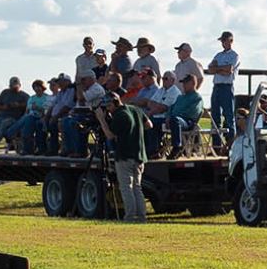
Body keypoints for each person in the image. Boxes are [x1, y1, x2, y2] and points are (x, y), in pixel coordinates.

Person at [95, 94, 152, 222]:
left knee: (126, 187)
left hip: (125, 155)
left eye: (109, 106)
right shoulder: (135, 109)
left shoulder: (119, 115)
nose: (108, 109)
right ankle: (142, 216)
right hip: (139, 155)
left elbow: (109, 135)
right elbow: (149, 124)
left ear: (115, 103)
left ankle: (130, 216)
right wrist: (136, 130)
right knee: (137, 187)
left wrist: (101, 120)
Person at [206, 31, 239, 149]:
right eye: (222, 41)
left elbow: (229, 70)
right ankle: (216, 146)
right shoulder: (218, 55)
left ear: (231, 41)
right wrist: (221, 69)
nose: (223, 43)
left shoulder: (234, 55)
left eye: (225, 40)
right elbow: (210, 69)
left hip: (226, 87)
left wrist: (217, 69)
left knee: (229, 117)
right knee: (215, 117)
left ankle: (231, 146)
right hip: (216, 87)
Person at [61, 72, 105, 157]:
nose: (82, 82)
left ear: (91, 79)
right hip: (84, 114)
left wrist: (78, 85)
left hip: (95, 115)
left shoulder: (96, 88)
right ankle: (70, 149)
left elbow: (81, 99)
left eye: (84, 79)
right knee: (66, 121)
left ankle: (81, 151)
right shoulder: (85, 89)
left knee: (75, 122)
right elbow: (79, 105)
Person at [165, 74, 204, 160]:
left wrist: (176, 116)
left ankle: (177, 147)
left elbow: (193, 113)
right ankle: (154, 149)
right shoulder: (180, 97)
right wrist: (168, 117)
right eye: (183, 83)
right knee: (153, 121)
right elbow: (171, 108)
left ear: (193, 83)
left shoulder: (197, 98)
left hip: (187, 122)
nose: (183, 85)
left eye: (186, 83)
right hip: (175, 120)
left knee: (175, 120)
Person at [144, 71, 181, 158]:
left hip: (166, 118)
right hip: (156, 115)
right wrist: (157, 107)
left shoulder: (175, 92)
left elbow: (164, 108)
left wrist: (151, 111)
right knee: (144, 123)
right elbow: (149, 102)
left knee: (151, 124)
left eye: (165, 79)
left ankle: (153, 151)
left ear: (172, 80)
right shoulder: (161, 90)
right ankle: (149, 150)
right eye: (162, 78)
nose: (163, 80)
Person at [8, 79, 49, 155]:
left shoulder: (46, 98)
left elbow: (47, 111)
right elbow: (27, 110)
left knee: (28, 121)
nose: (37, 89)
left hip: (41, 117)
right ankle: (27, 149)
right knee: (26, 126)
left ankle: (10, 133)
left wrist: (38, 108)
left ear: (42, 87)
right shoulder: (31, 98)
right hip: (30, 117)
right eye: (35, 87)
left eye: (38, 87)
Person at [45, 73, 75, 156]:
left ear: (67, 82)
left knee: (62, 123)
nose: (59, 84)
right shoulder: (60, 92)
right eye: (59, 82)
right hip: (56, 116)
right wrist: (47, 116)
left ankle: (67, 149)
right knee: (43, 123)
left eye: (61, 81)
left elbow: (68, 106)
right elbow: (53, 105)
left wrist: (56, 116)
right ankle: (51, 149)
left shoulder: (71, 91)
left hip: (66, 115)